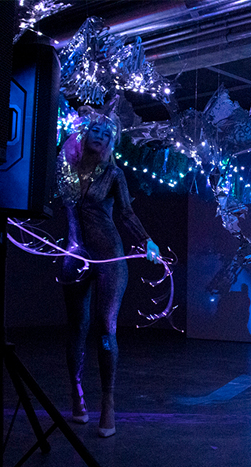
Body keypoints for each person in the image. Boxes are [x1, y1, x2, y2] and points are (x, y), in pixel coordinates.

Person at [56, 106, 159, 438]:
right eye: (95, 130)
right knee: (77, 326)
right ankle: (76, 394)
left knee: (105, 327)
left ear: (111, 141)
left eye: (106, 133)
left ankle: (108, 402)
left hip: (109, 256)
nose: (99, 135)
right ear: (84, 135)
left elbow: (126, 213)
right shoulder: (66, 169)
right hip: (75, 254)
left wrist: (147, 240)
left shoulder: (114, 175)